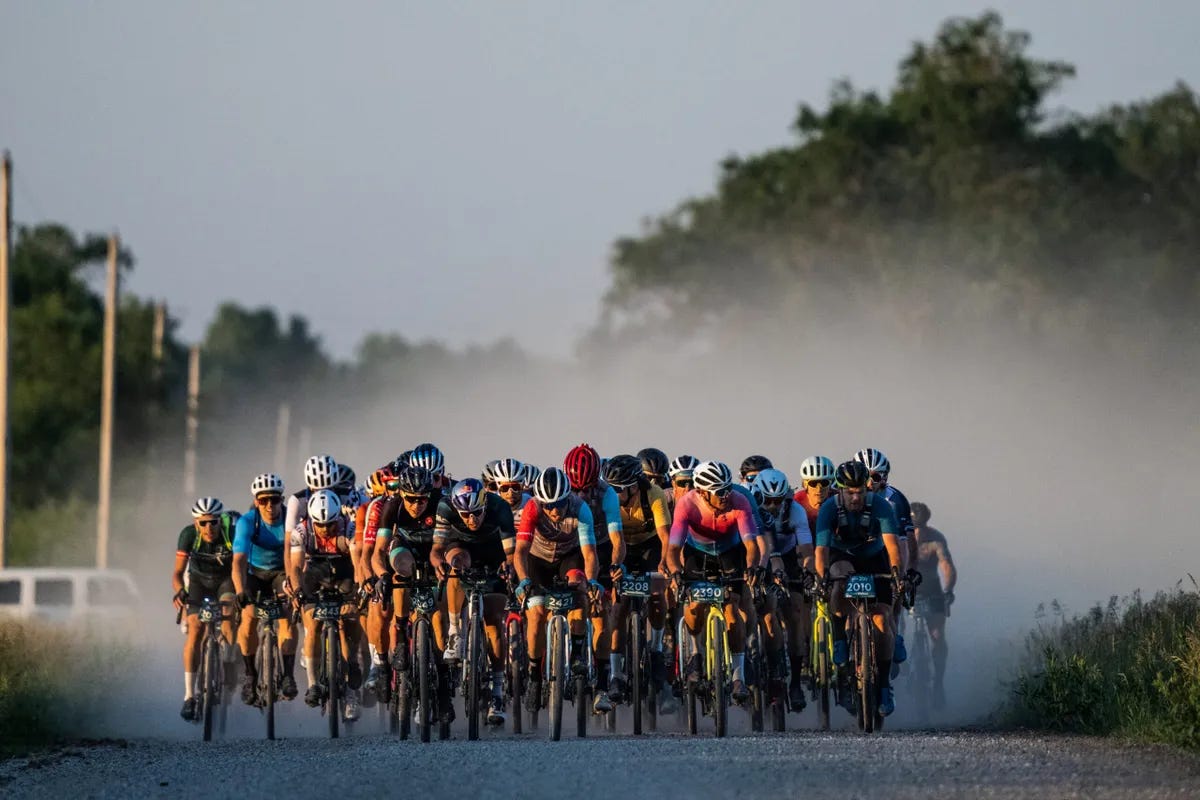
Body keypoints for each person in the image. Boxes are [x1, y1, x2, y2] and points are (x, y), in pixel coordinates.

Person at [665, 460, 765, 704]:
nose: (726, 495)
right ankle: (696, 653)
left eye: (728, 488)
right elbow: (673, 549)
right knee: (695, 607)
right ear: (701, 492)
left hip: (730, 552)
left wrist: (752, 568)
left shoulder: (739, 502)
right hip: (697, 554)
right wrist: (676, 572)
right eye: (719, 492)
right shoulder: (686, 504)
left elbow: (751, 546)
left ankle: (738, 675)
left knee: (732, 609)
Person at [813, 461, 905, 717]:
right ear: (840, 490)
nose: (855, 498)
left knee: (882, 620)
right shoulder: (829, 508)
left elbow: (893, 547)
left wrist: (897, 574)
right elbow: (821, 551)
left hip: (874, 557)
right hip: (843, 555)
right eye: (850, 492)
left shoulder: (880, 505)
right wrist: (821, 578)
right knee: (839, 577)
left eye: (860, 492)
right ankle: (840, 638)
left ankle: (884, 684)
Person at [512, 466, 602, 715]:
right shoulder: (532, 508)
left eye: (559, 504)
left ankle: (577, 653)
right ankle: (533, 675)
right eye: (549, 506)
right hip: (537, 560)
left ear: (568, 498)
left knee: (579, 587)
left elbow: (589, 553)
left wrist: (592, 580)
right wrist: (523, 580)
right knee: (537, 612)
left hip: (567, 558)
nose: (554, 511)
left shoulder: (580, 508)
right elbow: (520, 552)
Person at [431, 478, 516, 725]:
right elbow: (437, 549)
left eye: (477, 513)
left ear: (484, 504)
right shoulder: (446, 507)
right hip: (461, 549)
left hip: (493, 552)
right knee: (455, 564)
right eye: (465, 515)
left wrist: (509, 570)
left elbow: (511, 553)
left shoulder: (500, 507)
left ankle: (498, 693)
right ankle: (456, 633)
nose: (472, 520)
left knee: (493, 623)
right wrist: (438, 564)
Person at [602, 454, 674, 710]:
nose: (616, 493)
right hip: (620, 546)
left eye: (621, 489)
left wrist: (664, 564)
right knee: (618, 606)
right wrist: (614, 567)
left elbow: (666, 537)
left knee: (657, 593)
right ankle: (616, 674)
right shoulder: (610, 499)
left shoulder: (654, 494)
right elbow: (616, 541)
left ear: (635, 484)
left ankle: (655, 649)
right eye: (612, 488)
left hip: (649, 545)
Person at [288, 488, 363, 721]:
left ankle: (351, 679)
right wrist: (298, 592)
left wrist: (360, 589)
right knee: (312, 625)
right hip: (316, 574)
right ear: (311, 520)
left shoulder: (348, 527)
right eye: (320, 525)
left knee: (351, 616)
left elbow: (358, 562)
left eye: (331, 524)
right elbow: (296, 567)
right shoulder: (301, 532)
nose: (326, 530)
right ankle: (313, 683)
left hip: (343, 573)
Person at [563, 443, 624, 714]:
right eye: (576, 489)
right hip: (570, 550)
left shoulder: (607, 494)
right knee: (576, 596)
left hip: (600, 547)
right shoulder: (560, 491)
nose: (582, 495)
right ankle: (572, 654)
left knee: (602, 611)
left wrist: (614, 565)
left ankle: (601, 685)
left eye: (587, 488)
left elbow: (617, 539)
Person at [231, 473, 298, 707]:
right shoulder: (247, 522)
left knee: (287, 615)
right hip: (255, 573)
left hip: (281, 571)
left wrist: (294, 586)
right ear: (256, 501)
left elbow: (297, 557)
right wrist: (240, 591)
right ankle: (250, 675)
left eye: (275, 500)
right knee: (248, 616)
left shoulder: (290, 520)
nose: (270, 505)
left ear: (282, 499)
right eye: (264, 500)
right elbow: (238, 561)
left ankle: (288, 674)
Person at [172, 497, 239, 722]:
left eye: (213, 522)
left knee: (229, 619)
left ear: (221, 521)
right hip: (199, 582)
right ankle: (189, 696)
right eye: (203, 523)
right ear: (196, 524)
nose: (208, 528)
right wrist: (180, 591)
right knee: (195, 629)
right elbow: (177, 573)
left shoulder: (232, 532)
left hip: (225, 581)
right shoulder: (188, 535)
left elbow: (241, 564)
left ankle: (229, 664)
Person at [753, 468, 813, 711]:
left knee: (795, 610)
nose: (773, 506)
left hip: (786, 556)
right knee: (767, 612)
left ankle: (796, 682)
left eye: (779, 501)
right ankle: (772, 669)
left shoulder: (795, 511)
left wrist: (808, 569)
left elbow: (806, 547)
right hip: (756, 555)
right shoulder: (749, 506)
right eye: (768, 501)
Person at [854, 447, 915, 668]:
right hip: (856, 550)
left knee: (895, 587)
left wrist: (903, 574)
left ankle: (894, 631)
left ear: (885, 478)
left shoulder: (895, 500)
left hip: (886, 549)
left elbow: (904, 542)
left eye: (876, 477)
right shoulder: (843, 494)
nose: (870, 482)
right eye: (865, 476)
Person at [910, 501, 957, 707]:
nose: (917, 533)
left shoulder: (936, 539)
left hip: (931, 589)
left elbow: (947, 565)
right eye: (913, 528)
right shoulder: (899, 538)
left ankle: (938, 682)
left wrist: (948, 590)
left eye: (920, 527)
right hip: (906, 588)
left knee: (937, 636)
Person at [793, 455, 836, 531]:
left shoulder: (837, 499)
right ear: (805, 485)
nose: (819, 489)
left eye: (824, 483)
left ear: (830, 485)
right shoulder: (796, 501)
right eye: (813, 483)